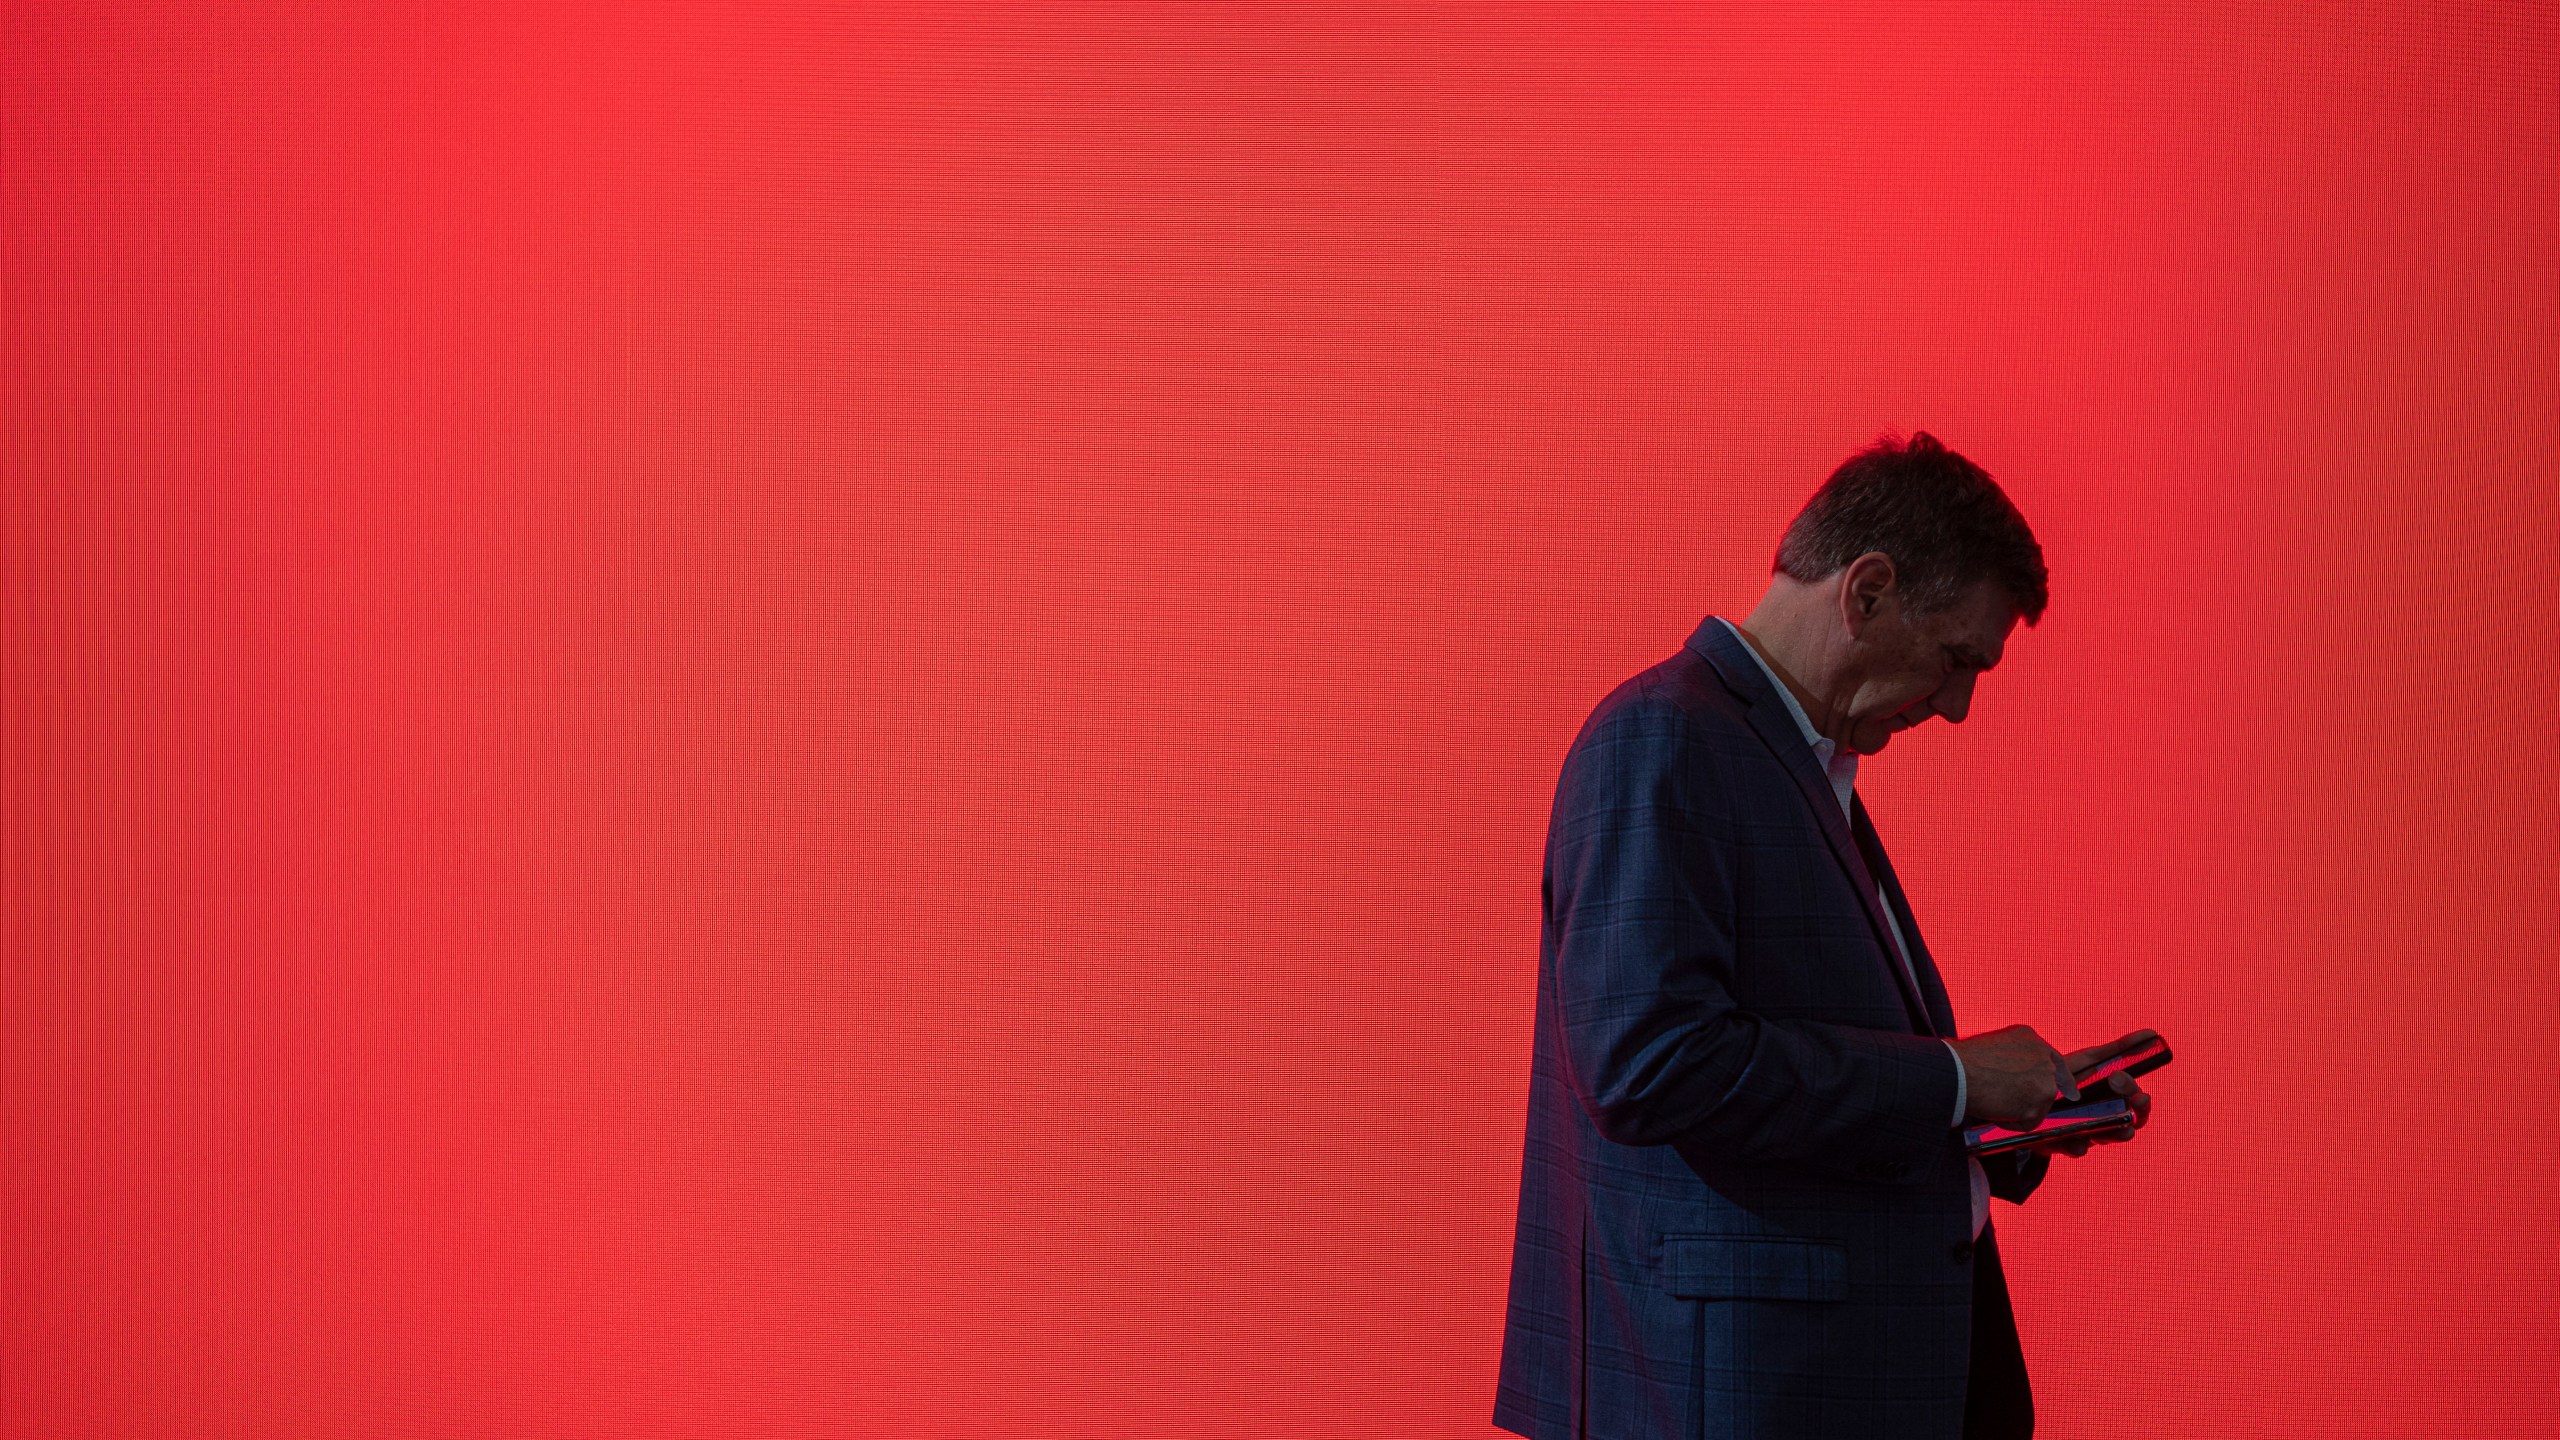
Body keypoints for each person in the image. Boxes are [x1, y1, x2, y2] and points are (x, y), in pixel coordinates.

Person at [1492, 433, 2157, 1440]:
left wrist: (2010, 1119)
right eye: (1955, 657)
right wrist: (1954, 1081)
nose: (1960, 706)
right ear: (1870, 590)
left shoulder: (1785, 760)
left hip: (1832, 1377)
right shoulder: (1664, 737)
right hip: (1752, 1391)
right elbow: (1647, 1065)